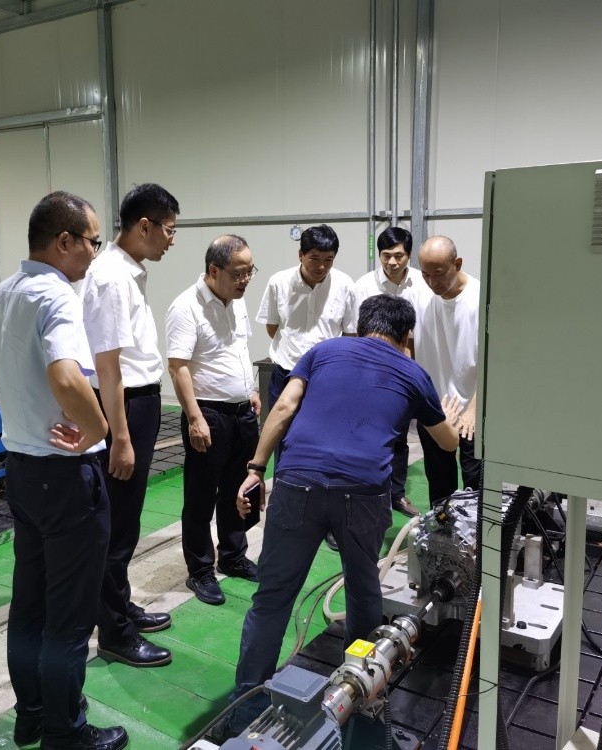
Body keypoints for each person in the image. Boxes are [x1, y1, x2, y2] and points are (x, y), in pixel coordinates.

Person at [224, 294, 462, 734]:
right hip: (363, 493)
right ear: (406, 335)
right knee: (363, 589)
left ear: (360, 325)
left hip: (297, 481)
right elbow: (447, 443)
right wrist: (448, 414)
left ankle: (244, 706)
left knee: (272, 598)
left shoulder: (324, 351)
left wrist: (256, 468)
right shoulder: (414, 372)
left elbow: (284, 407)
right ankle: (358, 697)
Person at [0, 191, 127, 750]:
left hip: (22, 469)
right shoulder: (55, 294)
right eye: (93, 241)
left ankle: (32, 715)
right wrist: (100, 428)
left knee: (29, 604)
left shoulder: (4, 292)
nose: (95, 252)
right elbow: (67, 378)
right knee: (68, 616)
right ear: (64, 241)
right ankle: (65, 732)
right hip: (66, 477)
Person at [79, 183, 180, 668]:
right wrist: (119, 437)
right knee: (116, 525)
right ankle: (114, 632)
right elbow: (108, 366)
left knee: (127, 519)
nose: (172, 240)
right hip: (124, 406)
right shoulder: (111, 278)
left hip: (138, 402)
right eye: (169, 230)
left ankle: (119, 606)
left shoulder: (128, 273)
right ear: (144, 226)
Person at [165, 235, 261, 606]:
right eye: (238, 273)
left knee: (238, 489)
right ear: (213, 270)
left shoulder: (237, 300)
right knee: (201, 497)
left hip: (242, 411)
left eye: (250, 271)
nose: (245, 279)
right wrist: (194, 417)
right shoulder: (185, 307)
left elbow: (240, 349)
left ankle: (233, 556)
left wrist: (251, 389)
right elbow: (178, 367)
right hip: (209, 414)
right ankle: (201, 570)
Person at [354, 226, 433, 518]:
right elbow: (356, 332)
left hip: (407, 372)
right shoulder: (364, 285)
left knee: (399, 437)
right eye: (386, 255)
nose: (392, 262)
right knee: (367, 436)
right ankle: (364, 495)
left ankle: (395, 494)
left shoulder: (423, 284)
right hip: (371, 373)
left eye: (398, 255)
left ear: (408, 255)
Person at [256, 224, 358, 411]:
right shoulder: (279, 282)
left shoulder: (345, 285)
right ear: (300, 255)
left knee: (323, 427)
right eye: (314, 258)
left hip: (326, 375)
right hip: (285, 373)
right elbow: (272, 328)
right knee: (280, 426)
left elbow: (349, 334)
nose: (322, 266)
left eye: (329, 260)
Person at [414, 234, 481, 503]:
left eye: (439, 273)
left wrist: (474, 410)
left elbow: (495, 362)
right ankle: (442, 529)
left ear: (458, 264)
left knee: (476, 484)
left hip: (473, 408)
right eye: (426, 274)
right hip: (434, 406)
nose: (432, 282)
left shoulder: (481, 298)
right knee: (439, 484)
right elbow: (408, 345)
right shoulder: (420, 296)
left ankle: (477, 531)